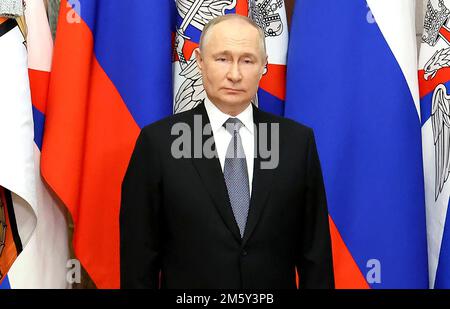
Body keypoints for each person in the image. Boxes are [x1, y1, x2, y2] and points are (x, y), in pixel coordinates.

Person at [120, 14, 334, 289]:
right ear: (199, 61)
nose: (234, 74)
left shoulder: (296, 143)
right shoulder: (159, 144)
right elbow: (140, 260)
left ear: (263, 66)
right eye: (222, 59)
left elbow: (315, 258)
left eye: (247, 60)